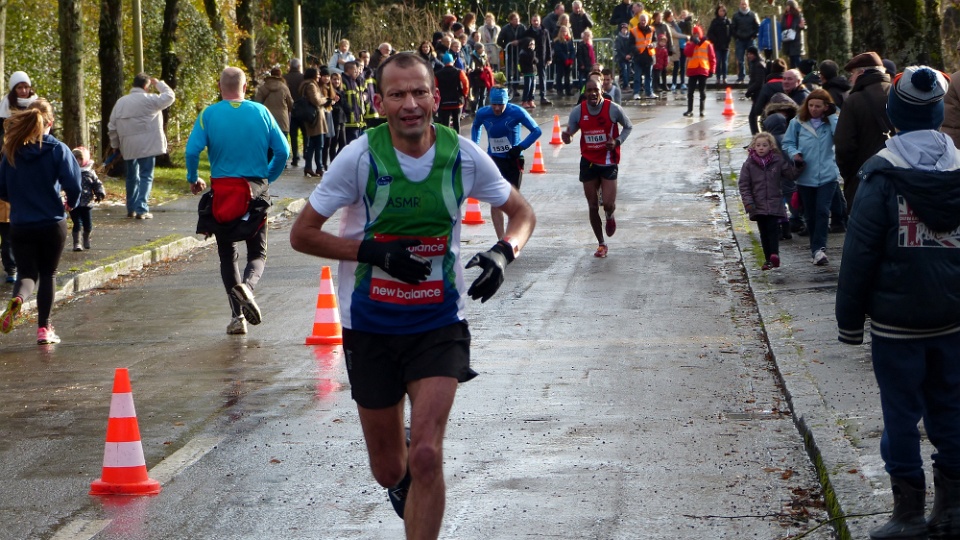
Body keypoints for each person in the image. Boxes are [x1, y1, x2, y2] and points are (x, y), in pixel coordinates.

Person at [288, 52, 536, 539]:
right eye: (397, 94)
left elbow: (522, 212)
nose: (410, 104)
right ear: (380, 103)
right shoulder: (359, 158)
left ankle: (418, 465)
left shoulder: (463, 155)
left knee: (426, 455)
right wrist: (372, 251)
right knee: (389, 469)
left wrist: (504, 252)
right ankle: (400, 466)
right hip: (370, 327)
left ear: (436, 98)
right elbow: (302, 234)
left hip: (438, 324)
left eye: (419, 92)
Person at [835, 65, 960, 540]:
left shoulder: (880, 175)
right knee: (952, 409)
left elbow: (860, 253)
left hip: (897, 325)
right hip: (952, 319)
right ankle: (953, 510)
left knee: (901, 415)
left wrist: (849, 321)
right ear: (938, 113)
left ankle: (908, 514)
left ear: (895, 114)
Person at [185, 67, 290, 335]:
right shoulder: (261, 112)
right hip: (255, 190)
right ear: (245, 88)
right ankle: (248, 287)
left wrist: (193, 178)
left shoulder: (208, 114)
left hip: (223, 193)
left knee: (227, 255)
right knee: (257, 253)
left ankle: (237, 318)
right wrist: (267, 178)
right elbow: (283, 151)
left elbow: (192, 150)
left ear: (220, 87)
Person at [0, 99, 81, 345]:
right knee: (48, 274)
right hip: (51, 222)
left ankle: (18, 300)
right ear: (50, 122)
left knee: (26, 273)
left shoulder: (12, 150)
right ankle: (44, 329)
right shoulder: (58, 150)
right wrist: (70, 203)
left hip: (21, 223)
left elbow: (2, 188)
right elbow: (74, 184)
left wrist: (19, 200)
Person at [560, 78, 634, 258]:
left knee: (608, 204)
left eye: (596, 90)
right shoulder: (578, 111)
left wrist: (617, 141)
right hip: (588, 162)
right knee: (593, 206)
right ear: (585, 93)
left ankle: (609, 216)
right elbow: (570, 133)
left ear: (602, 91)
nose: (593, 93)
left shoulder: (613, 109)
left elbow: (628, 126)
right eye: (589, 90)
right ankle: (601, 243)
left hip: (608, 162)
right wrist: (567, 137)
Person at [471, 86, 542, 237]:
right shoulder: (483, 113)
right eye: (494, 104)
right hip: (494, 160)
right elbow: (476, 126)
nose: (497, 108)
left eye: (500, 104)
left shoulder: (517, 112)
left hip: (513, 160)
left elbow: (536, 130)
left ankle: (511, 237)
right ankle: (501, 239)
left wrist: (521, 147)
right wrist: (475, 146)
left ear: (506, 102)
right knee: (495, 200)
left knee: (511, 203)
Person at [781, 89, 839, 265]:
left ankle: (819, 248)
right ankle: (815, 249)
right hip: (806, 176)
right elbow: (787, 143)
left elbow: (840, 137)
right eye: (811, 105)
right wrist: (795, 153)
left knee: (822, 211)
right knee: (810, 214)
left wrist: (832, 116)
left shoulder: (831, 122)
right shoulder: (798, 122)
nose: (814, 109)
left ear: (826, 107)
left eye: (818, 106)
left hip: (828, 175)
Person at [107, 72, 175, 220]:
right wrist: (159, 84)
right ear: (146, 86)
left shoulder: (121, 102)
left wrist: (115, 145)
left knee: (131, 176)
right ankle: (141, 209)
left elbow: (112, 126)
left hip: (128, 146)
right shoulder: (151, 100)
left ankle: (131, 208)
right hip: (147, 145)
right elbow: (170, 96)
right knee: (146, 176)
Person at [834, 52, 893, 212]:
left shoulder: (853, 101)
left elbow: (844, 145)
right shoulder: (899, 94)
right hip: (899, 176)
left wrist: (849, 174)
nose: (850, 79)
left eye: (852, 74)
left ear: (861, 73)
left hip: (864, 179)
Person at [738, 132, 798, 270]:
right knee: (764, 232)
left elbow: (790, 174)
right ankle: (768, 259)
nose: (761, 148)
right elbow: (744, 185)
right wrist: (748, 202)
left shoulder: (777, 161)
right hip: (757, 205)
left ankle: (774, 255)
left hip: (774, 203)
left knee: (773, 229)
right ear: (754, 146)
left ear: (770, 146)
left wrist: (799, 165)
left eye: (764, 145)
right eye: (758, 145)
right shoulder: (749, 164)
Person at [254, 66, 295, 163]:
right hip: (282, 119)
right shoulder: (284, 88)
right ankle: (282, 163)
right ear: (280, 75)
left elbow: (257, 103)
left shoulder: (263, 88)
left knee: (269, 144)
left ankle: (268, 162)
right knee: (282, 143)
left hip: (267, 120)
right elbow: (291, 103)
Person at [69, 146, 106, 252]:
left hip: (87, 203)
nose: (78, 161)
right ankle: (77, 242)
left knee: (88, 224)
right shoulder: (70, 172)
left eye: (80, 159)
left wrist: (100, 193)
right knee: (77, 223)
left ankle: (86, 238)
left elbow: (97, 184)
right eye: (75, 159)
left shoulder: (90, 173)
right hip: (74, 203)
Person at [298, 67, 329, 178]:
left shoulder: (307, 84)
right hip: (315, 118)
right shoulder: (311, 85)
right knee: (319, 144)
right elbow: (316, 100)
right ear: (313, 75)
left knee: (312, 144)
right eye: (318, 74)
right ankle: (319, 168)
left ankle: (309, 167)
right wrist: (326, 100)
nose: (319, 76)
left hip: (312, 117)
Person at [683, 25, 716, 117]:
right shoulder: (689, 43)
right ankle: (690, 110)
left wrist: (712, 70)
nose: (696, 35)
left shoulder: (707, 44)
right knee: (690, 92)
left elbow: (712, 58)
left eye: (697, 33)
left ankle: (702, 110)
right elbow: (687, 53)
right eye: (694, 34)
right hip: (692, 70)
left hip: (703, 70)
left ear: (700, 34)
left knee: (702, 91)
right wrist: (693, 44)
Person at [524, 14, 553, 106]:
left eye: (537, 20)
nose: (536, 22)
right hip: (530, 59)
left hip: (542, 58)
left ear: (540, 21)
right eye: (534, 21)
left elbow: (548, 45)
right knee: (531, 79)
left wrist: (549, 57)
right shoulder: (528, 32)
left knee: (542, 78)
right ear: (531, 21)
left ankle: (543, 97)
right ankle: (529, 98)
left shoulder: (545, 31)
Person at [435, 53, 469, 132]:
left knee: (445, 124)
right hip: (457, 100)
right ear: (453, 61)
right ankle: (457, 137)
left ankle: (447, 138)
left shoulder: (437, 74)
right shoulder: (459, 72)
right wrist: (464, 94)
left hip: (443, 102)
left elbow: (435, 87)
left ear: (443, 62)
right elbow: (465, 83)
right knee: (457, 122)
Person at [0, 71, 38, 141]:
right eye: (19, 88)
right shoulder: (6, 104)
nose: (23, 91)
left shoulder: (36, 103)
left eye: (26, 87)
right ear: (14, 90)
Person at [497, 12, 526, 98]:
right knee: (508, 70)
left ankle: (515, 88)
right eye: (515, 19)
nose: (517, 20)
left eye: (518, 19)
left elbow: (526, 38)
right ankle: (509, 87)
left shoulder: (522, 27)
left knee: (517, 70)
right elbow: (499, 40)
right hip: (509, 53)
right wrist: (507, 46)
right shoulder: (505, 28)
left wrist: (519, 42)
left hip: (519, 52)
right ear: (510, 20)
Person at [284, 58, 306, 167]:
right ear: (299, 66)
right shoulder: (303, 78)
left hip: (290, 110)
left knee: (293, 135)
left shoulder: (285, 78)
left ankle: (295, 156)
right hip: (303, 109)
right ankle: (306, 153)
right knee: (305, 133)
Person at [731, 0, 760, 84]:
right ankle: (741, 77)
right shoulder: (735, 16)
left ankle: (752, 77)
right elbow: (732, 28)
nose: (744, 6)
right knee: (740, 60)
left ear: (748, 5)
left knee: (752, 60)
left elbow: (758, 26)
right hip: (740, 40)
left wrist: (754, 36)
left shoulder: (753, 15)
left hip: (750, 40)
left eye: (745, 4)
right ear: (740, 5)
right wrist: (736, 37)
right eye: (742, 4)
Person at [707, 5, 733, 85]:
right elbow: (710, 33)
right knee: (718, 62)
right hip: (717, 45)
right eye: (720, 11)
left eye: (723, 11)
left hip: (726, 45)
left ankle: (725, 77)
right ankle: (718, 78)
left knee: (724, 62)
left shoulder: (728, 21)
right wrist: (715, 41)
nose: (722, 12)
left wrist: (728, 41)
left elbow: (731, 33)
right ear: (717, 12)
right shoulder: (714, 22)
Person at [779, 0, 806, 69]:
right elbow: (782, 26)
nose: (787, 7)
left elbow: (803, 26)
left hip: (796, 40)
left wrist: (799, 27)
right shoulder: (785, 16)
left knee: (797, 58)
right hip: (787, 40)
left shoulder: (798, 15)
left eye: (788, 5)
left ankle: (802, 72)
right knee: (791, 60)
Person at [553, 26, 577, 98]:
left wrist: (571, 58)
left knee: (567, 76)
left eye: (565, 31)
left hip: (568, 60)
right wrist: (565, 58)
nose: (564, 33)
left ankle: (568, 90)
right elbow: (559, 51)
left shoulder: (569, 40)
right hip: (560, 60)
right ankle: (559, 90)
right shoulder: (557, 41)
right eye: (563, 31)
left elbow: (572, 50)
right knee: (559, 76)